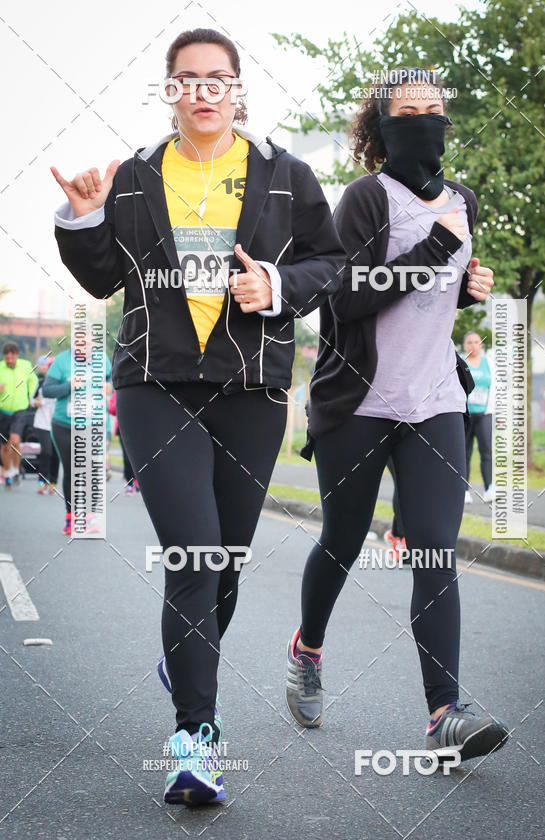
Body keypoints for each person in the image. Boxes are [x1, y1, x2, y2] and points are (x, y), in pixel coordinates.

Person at [51, 27, 344, 805]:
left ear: (238, 89)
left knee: (226, 565)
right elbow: (103, 278)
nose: (204, 91)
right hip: (157, 384)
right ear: (169, 90)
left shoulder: (286, 177)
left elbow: (331, 262)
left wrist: (275, 289)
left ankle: (189, 656)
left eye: (218, 79)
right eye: (188, 79)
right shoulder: (138, 177)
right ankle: (196, 742)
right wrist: (82, 218)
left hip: (252, 393)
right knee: (195, 557)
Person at [286, 67, 509, 764]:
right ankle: (308, 646)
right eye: (407, 109)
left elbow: (430, 299)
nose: (424, 119)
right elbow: (344, 297)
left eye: (434, 109)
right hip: (360, 402)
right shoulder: (363, 198)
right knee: (343, 541)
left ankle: (445, 710)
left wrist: (469, 288)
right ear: (381, 124)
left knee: (436, 548)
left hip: (436, 399)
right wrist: (438, 249)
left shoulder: (463, 199)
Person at [42, 348, 112, 534]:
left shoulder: (102, 358)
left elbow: (112, 380)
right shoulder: (61, 361)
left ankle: (89, 517)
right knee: (72, 470)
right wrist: (68, 386)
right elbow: (47, 390)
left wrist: (109, 386)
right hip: (65, 425)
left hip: (93, 424)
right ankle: (71, 518)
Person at [0, 341, 39, 488]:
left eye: (12, 358)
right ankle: (8, 473)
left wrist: (31, 396)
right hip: (3, 410)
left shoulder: (26, 365)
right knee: (4, 446)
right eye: (7, 358)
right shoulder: (0, 367)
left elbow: (33, 380)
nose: (9, 361)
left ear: (16, 355)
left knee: (15, 440)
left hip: (20, 409)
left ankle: (16, 470)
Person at [462, 331, 495, 503]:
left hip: (484, 414)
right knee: (465, 453)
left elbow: (497, 387)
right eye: (469, 342)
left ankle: (489, 488)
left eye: (476, 342)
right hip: (465, 415)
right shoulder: (459, 361)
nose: (473, 345)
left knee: (486, 451)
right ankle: (464, 491)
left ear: (480, 345)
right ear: (464, 345)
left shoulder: (489, 363)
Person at [32, 354, 59, 494]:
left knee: (55, 454)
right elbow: (30, 400)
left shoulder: (62, 384)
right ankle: (42, 481)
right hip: (42, 423)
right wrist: (36, 402)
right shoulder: (41, 382)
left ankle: (53, 482)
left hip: (56, 424)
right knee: (47, 451)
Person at [107, 389, 139, 494]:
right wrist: (123, 403)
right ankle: (129, 483)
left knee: (139, 457)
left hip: (140, 428)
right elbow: (111, 409)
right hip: (123, 428)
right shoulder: (119, 390)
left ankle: (138, 480)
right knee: (127, 457)